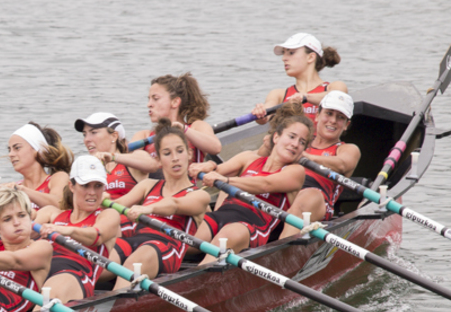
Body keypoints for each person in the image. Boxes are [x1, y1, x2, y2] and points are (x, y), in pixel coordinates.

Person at [191, 106, 314, 263]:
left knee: (225, 237)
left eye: (302, 142)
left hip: (252, 226)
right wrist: (208, 165)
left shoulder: (296, 171)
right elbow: (217, 170)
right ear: (276, 137)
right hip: (220, 215)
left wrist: (227, 180)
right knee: (182, 238)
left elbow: (265, 184)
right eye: (291, 136)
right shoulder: (248, 158)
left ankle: (200, 274)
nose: (295, 144)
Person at [111, 120, 212, 288]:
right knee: (96, 258)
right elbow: (117, 204)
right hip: (136, 240)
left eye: (180, 151)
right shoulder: (147, 185)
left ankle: (116, 302)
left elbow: (174, 204)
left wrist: (148, 208)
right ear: (158, 160)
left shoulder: (199, 195)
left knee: (134, 263)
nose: (175, 158)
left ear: (189, 154)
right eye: (167, 153)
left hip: (167, 247)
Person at [34, 156, 121, 304]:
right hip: (41, 271)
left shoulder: (108, 215)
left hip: (75, 276)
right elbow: (22, 231)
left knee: (54, 287)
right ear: (72, 186)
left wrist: (66, 231)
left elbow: (97, 236)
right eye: (85, 185)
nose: (92, 192)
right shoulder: (52, 213)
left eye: (98, 186)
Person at [107, 73, 221, 182]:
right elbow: (124, 161)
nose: (149, 104)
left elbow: (215, 148)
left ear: (175, 102)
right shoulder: (144, 135)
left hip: (187, 189)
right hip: (153, 191)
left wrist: (184, 130)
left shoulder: (196, 126)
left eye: (155, 98)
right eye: (149, 99)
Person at [278, 91, 360, 238]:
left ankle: (283, 248)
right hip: (286, 187)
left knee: (306, 197)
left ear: (346, 125)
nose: (333, 120)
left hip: (316, 201)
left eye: (340, 117)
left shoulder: (347, 149)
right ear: (317, 116)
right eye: (329, 113)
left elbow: (342, 164)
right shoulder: (300, 141)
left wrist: (307, 157)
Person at [0, 122, 74, 215]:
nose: (10, 154)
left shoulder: (58, 177)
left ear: (37, 150)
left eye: (17, 148)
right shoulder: (12, 187)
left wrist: (22, 190)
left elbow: (59, 204)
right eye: (9, 150)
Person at [254, 32, 347, 123]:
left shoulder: (335, 87)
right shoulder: (278, 94)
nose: (283, 58)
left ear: (310, 57)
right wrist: (260, 113)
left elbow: (337, 98)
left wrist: (305, 97)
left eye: (291, 53)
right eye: (283, 53)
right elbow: (265, 116)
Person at [75, 112, 136, 200]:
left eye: (93, 132)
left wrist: (113, 157)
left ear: (114, 136)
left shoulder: (132, 164)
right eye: (84, 135)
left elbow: (151, 164)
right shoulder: (87, 171)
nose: (86, 139)